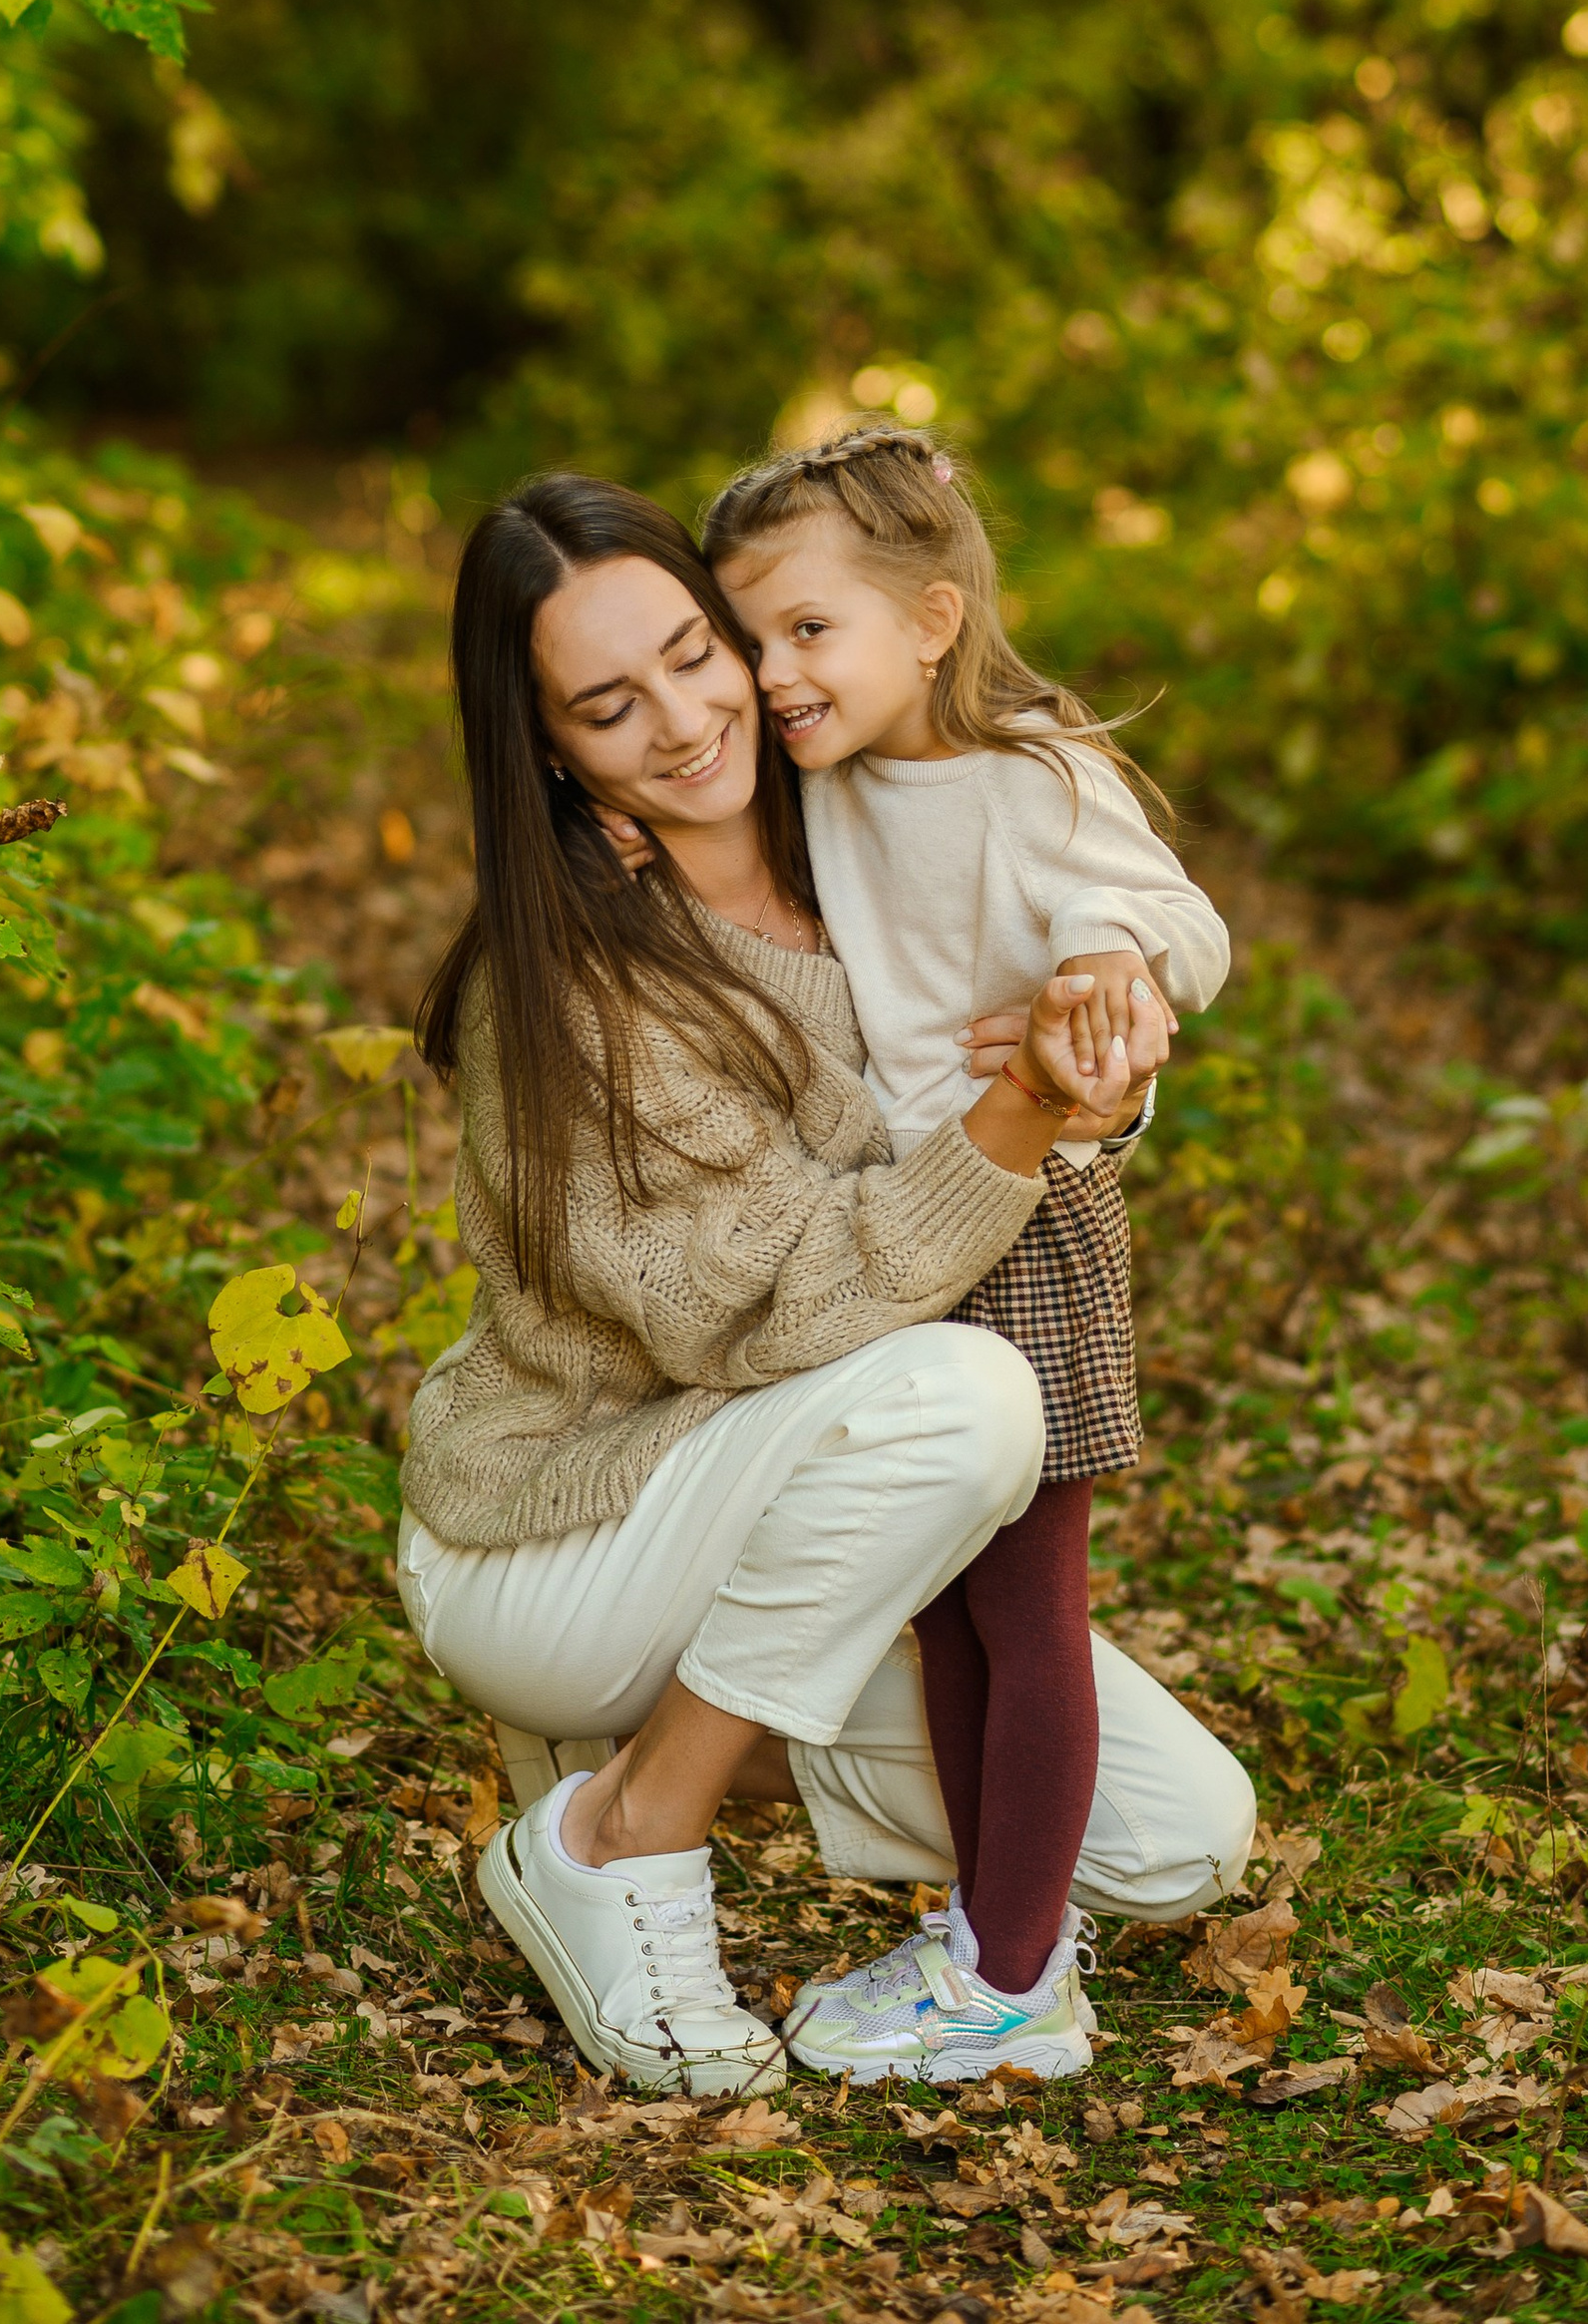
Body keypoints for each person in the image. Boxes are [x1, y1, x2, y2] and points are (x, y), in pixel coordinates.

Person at [398, 471, 1253, 2096]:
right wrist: (1025, 1111)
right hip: (570, 1528)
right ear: (552, 751)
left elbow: (1054, 954)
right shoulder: (570, 971)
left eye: (695, 652)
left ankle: (750, 1745)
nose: (683, 718)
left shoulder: (857, 807)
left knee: (1181, 1842)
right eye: (605, 703)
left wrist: (1103, 1045)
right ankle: (619, 1826)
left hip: (800, 1482)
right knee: (966, 1393)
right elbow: (779, 1302)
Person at [703, 424, 1228, 2081]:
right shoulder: (826, 782)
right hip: (899, 1225)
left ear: (932, 620)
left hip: (1019, 1224)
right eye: (754, 640)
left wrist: (1100, 973)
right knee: (945, 1610)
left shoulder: (1035, 777)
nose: (778, 676)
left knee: (1030, 1605)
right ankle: (1001, 1933)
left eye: (809, 630)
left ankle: (1015, 1992)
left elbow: (1176, 923)